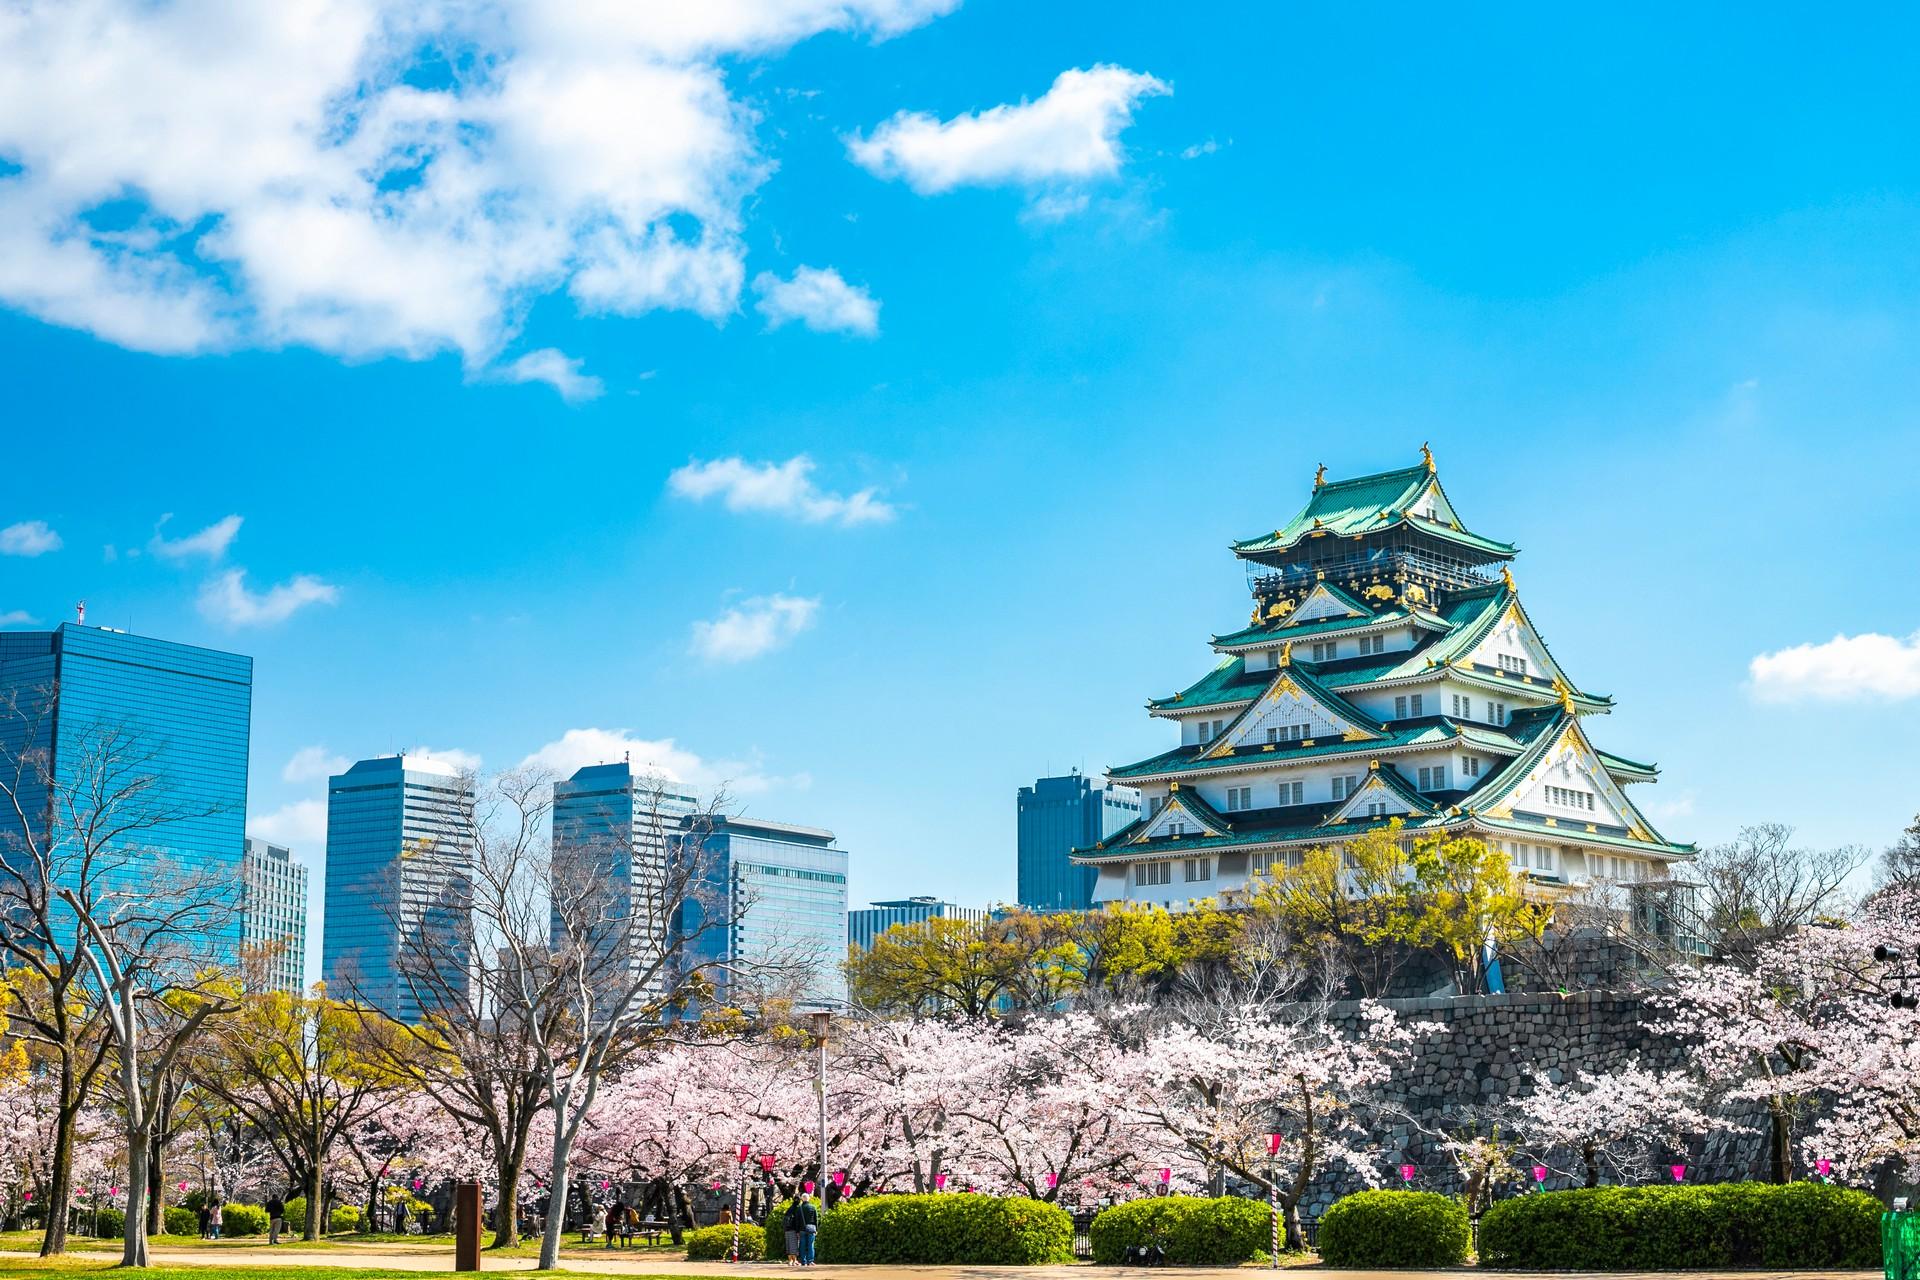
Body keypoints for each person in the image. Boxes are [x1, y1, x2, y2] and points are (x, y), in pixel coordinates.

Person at [794, 1193, 819, 1268]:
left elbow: (797, 1221)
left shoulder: (799, 1208)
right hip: (811, 1229)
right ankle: (810, 1261)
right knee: (811, 1245)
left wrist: (797, 1231)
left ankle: (803, 1261)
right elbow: (816, 1220)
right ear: (809, 1199)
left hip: (802, 1229)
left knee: (802, 1245)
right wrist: (816, 1229)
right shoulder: (813, 1207)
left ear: (802, 1199)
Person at [782, 1197, 805, 1267]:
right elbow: (799, 1221)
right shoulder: (798, 1208)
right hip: (793, 1229)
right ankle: (794, 1261)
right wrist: (798, 1231)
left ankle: (790, 1261)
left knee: (789, 1245)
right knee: (794, 1245)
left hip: (787, 1229)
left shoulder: (790, 1208)